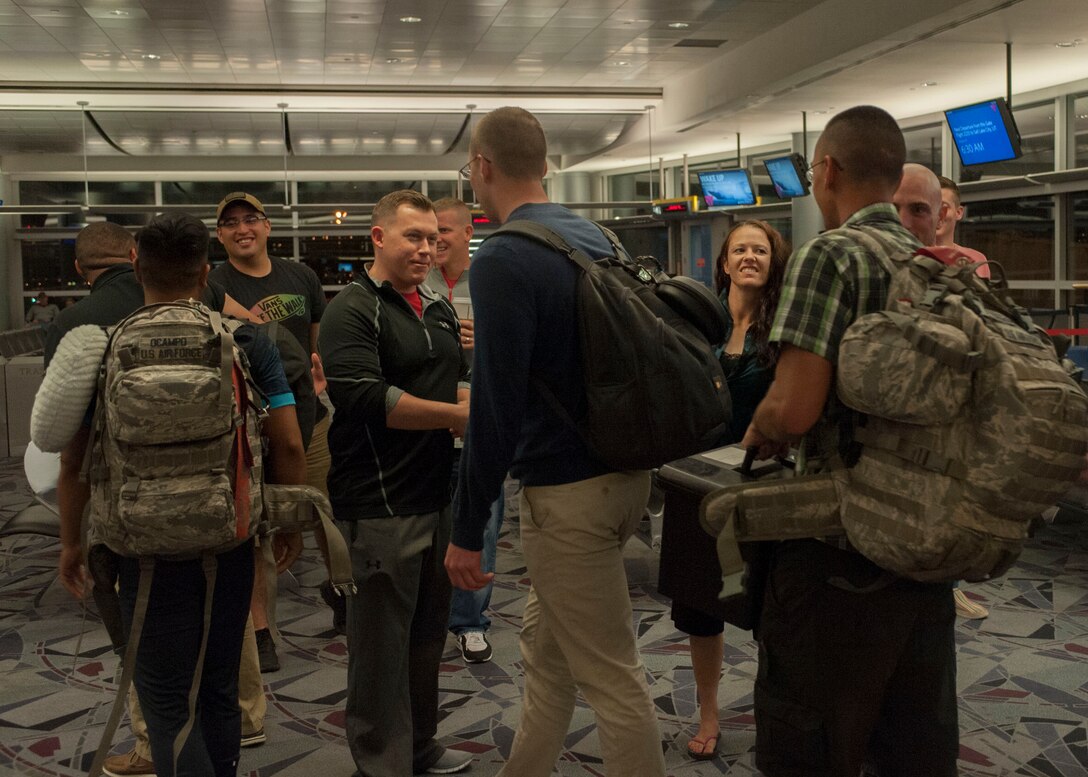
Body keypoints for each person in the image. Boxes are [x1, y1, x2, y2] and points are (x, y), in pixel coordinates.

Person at [445, 106, 667, 777]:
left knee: (613, 678)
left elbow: (496, 407)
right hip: (625, 475)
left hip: (568, 499)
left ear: (482, 167)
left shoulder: (505, 256)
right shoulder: (594, 235)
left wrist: (466, 523)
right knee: (546, 654)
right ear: (545, 165)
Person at [741, 105, 959, 776]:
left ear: (827, 169)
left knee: (809, 740)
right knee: (912, 745)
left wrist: (762, 426)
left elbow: (798, 407)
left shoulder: (829, 255)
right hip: (927, 546)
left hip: (840, 553)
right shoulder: (939, 266)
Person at [54, 213, 307, 777]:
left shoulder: (100, 348)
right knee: (219, 687)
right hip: (229, 537)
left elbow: (74, 460)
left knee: (166, 699)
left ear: (136, 265)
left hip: (139, 551)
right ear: (206, 273)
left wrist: (71, 542)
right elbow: (289, 444)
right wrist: (289, 522)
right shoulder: (248, 342)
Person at [319, 189, 472, 776]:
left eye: (434, 239)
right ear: (379, 237)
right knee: (381, 649)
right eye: (414, 237)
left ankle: (420, 746)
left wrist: (476, 399)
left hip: (436, 494)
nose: (427, 249)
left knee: (427, 637)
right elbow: (362, 396)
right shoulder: (352, 309)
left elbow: (445, 383)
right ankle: (382, 761)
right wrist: (458, 416)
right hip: (380, 501)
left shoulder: (432, 308)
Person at [673, 220, 788, 761]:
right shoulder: (701, 322)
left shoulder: (785, 325)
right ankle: (710, 713)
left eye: (759, 250)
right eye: (739, 248)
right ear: (723, 263)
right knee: (702, 605)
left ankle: (777, 713)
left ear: (772, 262)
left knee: (771, 607)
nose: (749, 256)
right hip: (700, 480)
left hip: (766, 485)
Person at [209, 191, 340, 661]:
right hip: (249, 429)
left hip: (311, 416)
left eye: (251, 219)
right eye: (231, 223)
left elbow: (311, 344)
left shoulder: (301, 277)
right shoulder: (213, 284)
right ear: (220, 234)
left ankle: (341, 592)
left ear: (267, 227)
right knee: (256, 528)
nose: (242, 228)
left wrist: (316, 371)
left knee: (324, 511)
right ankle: (260, 630)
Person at [894, 165, 991, 621]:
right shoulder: (891, 258)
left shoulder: (972, 261)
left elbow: (983, 329)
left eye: (923, 208)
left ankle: (947, 585)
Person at [426, 197, 500, 664]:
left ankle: (471, 623)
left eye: (442, 233)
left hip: (481, 431)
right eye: (427, 234)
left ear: (467, 233)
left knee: (483, 530)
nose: (433, 243)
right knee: (429, 530)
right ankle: (430, 618)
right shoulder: (415, 282)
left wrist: (488, 339)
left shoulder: (492, 282)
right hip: (430, 425)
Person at [935, 175, 991, 279]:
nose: (938, 214)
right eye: (931, 207)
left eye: (944, 207)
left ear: (958, 212)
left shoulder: (977, 259)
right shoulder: (910, 256)